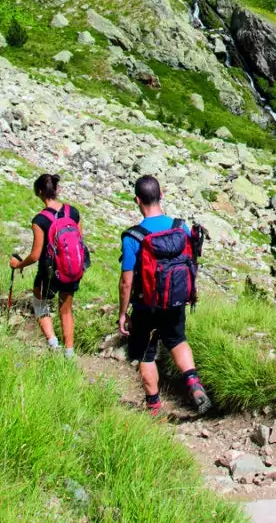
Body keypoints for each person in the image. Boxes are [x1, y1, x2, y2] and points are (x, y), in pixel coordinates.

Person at [118, 175, 211, 416]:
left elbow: (126, 281)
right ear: (162, 195)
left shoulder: (133, 237)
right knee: (177, 340)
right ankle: (193, 382)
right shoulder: (179, 228)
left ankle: (154, 407)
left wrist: (122, 313)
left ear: (137, 200)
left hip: (145, 305)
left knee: (146, 355)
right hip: (176, 300)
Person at [10, 174, 84, 358]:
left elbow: (35, 255)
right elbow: (81, 242)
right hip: (71, 269)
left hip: (48, 271)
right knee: (66, 309)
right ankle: (69, 353)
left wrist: (19, 264)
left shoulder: (40, 220)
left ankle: (53, 344)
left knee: (40, 302)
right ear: (57, 190)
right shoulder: (73, 212)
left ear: (39, 192)